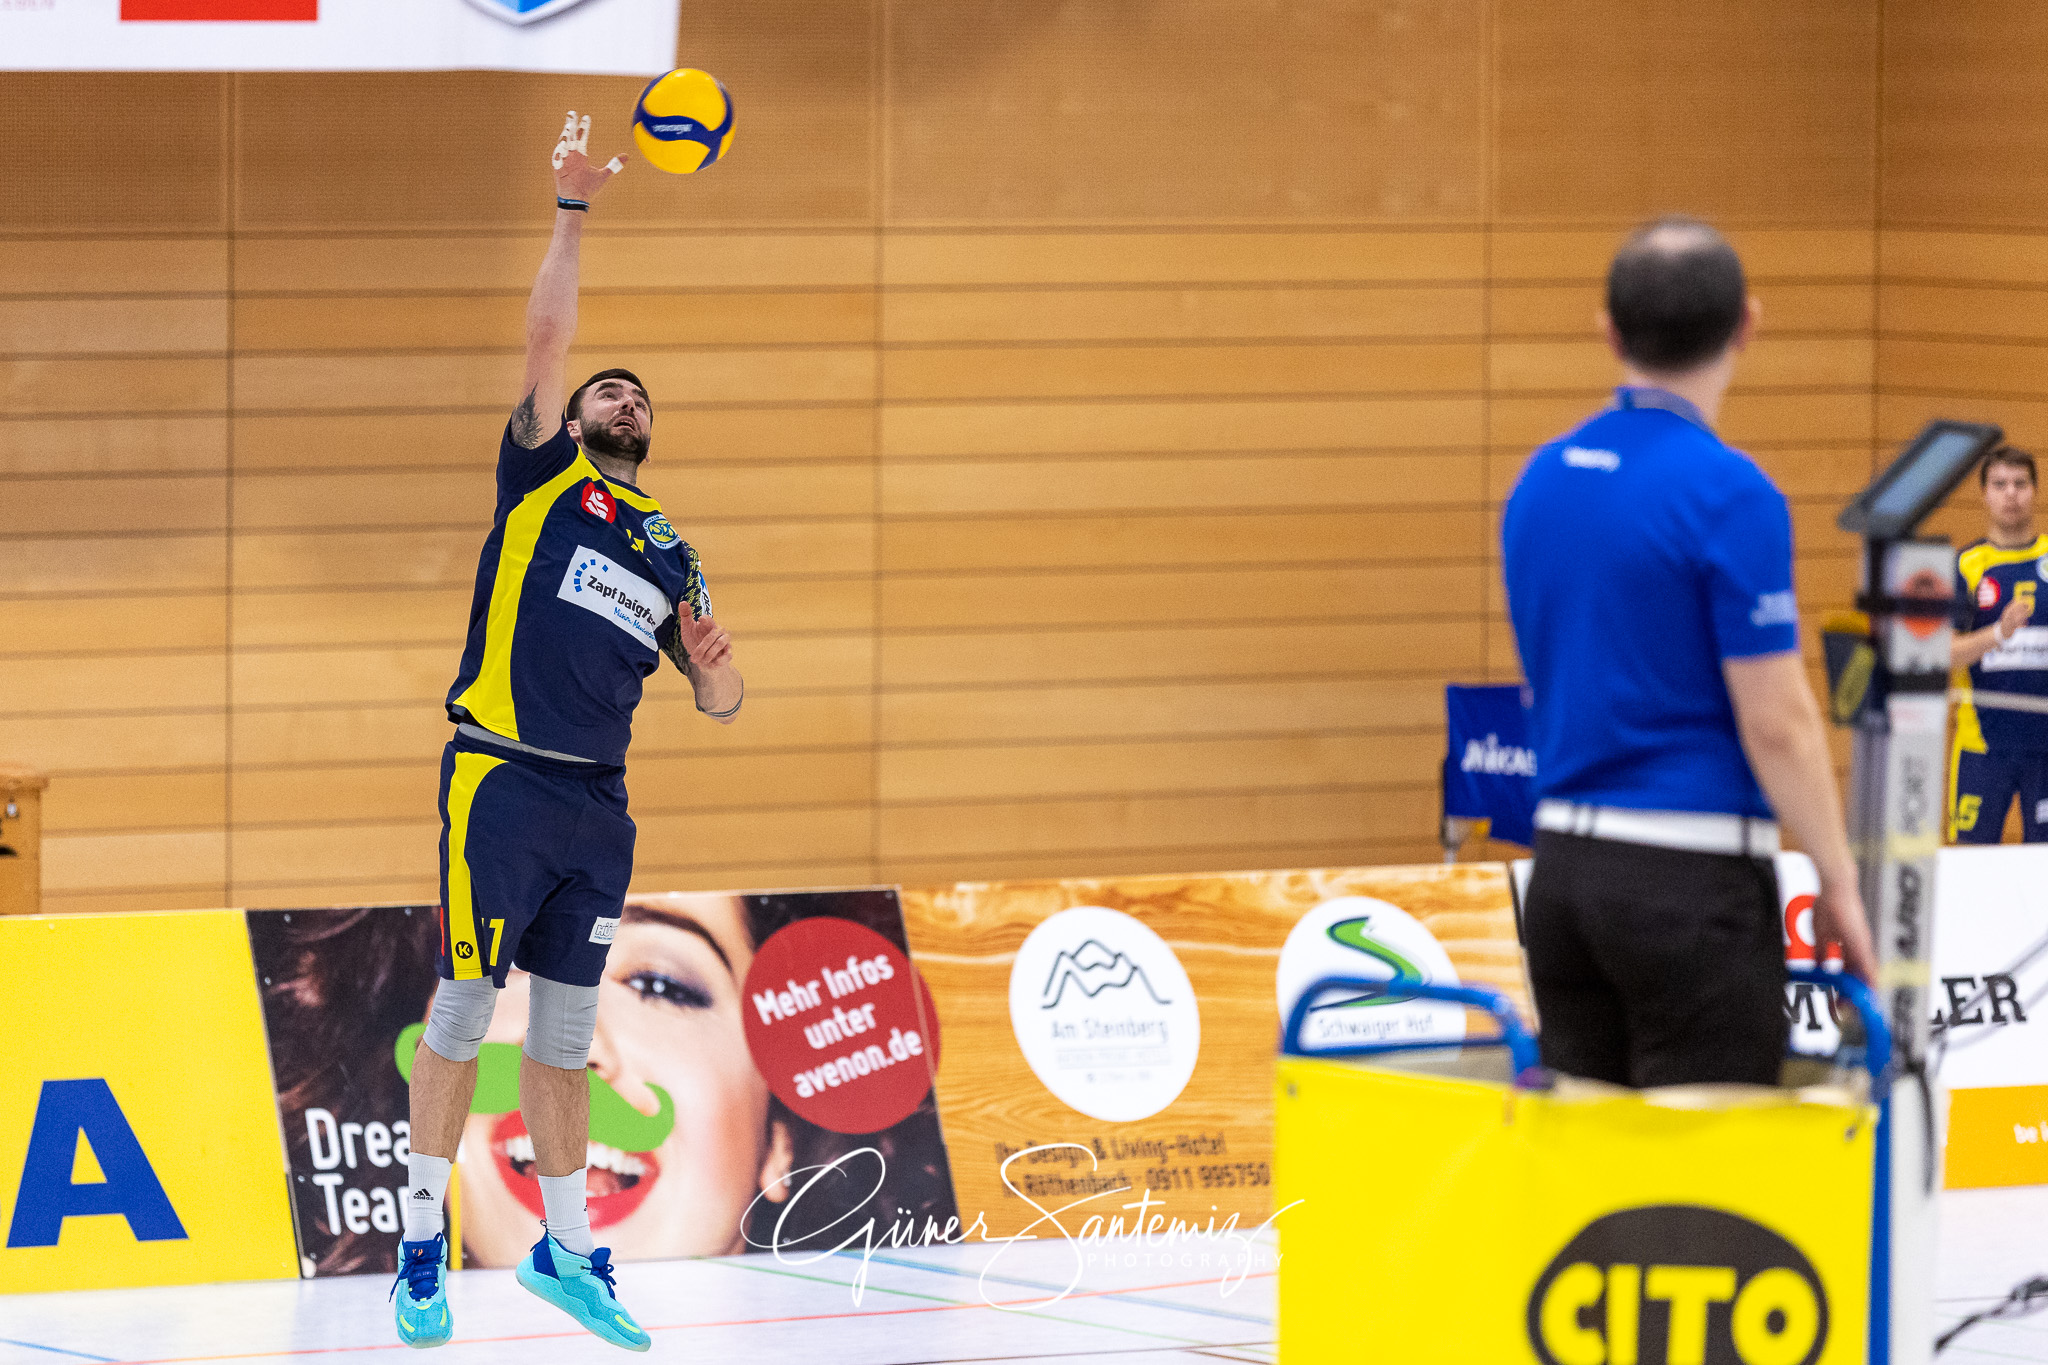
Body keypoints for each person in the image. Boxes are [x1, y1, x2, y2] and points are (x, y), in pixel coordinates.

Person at [392, 111, 744, 1353]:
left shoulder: (670, 549)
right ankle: (424, 1244)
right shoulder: (540, 479)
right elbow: (548, 332)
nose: (617, 394)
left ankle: (565, 1249)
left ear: (650, 431)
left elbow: (720, 698)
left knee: (560, 1033)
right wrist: (571, 206)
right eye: (604, 384)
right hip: (500, 779)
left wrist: (712, 669)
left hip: (598, 804)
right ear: (570, 411)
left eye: (634, 394)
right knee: (462, 1004)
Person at [1500, 216, 1878, 1091]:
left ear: (1608, 330)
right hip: (1687, 886)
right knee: (1702, 1203)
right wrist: (1838, 878)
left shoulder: (1540, 481)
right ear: (1748, 323)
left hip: (1560, 879)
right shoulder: (1728, 490)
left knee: (1591, 1194)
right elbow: (1776, 720)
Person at [1948, 445, 2048, 843]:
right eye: (2000, 484)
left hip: (2044, 748)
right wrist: (1999, 634)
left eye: (2020, 484)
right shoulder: (1964, 565)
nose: (2011, 494)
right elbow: (1944, 654)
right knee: (1969, 864)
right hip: (1982, 747)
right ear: (1984, 493)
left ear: (2036, 491)